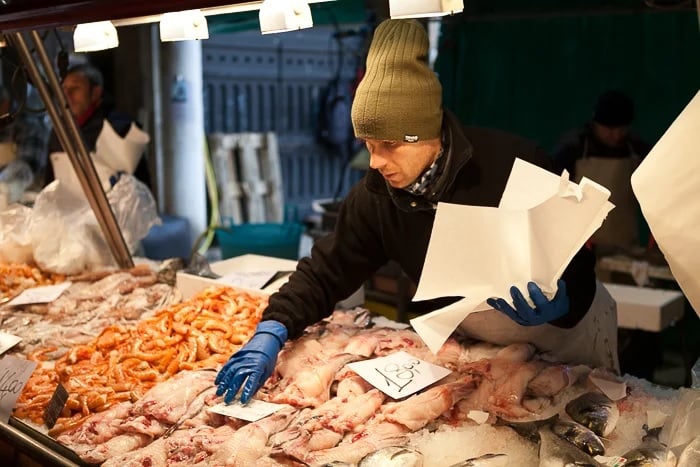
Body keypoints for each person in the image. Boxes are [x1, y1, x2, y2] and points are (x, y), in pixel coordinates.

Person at [216, 19, 618, 405]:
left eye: (390, 145)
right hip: (480, 348)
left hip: (566, 335)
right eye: (368, 145)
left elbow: (579, 262)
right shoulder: (376, 197)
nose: (376, 162)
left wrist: (564, 301)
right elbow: (326, 273)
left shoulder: (515, 163)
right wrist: (274, 326)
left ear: (428, 133)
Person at [552, 90, 651, 255]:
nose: (616, 136)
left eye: (621, 129)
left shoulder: (637, 151)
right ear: (596, 124)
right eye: (609, 129)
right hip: (579, 249)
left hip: (624, 249)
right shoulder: (573, 149)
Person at [44, 63, 151, 189]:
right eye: (64, 89)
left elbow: (139, 186)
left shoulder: (118, 129)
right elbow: (50, 184)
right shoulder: (59, 131)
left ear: (95, 92)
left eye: (75, 88)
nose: (67, 95)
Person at [0, 84, 50, 202]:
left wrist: (4, 186)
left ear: (6, 103)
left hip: (25, 204)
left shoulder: (28, 125)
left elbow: (28, 163)